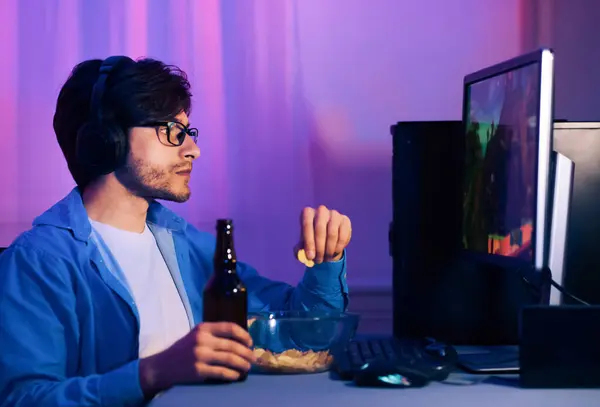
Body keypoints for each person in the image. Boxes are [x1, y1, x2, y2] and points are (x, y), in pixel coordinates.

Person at [0, 56, 352, 407]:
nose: (192, 150)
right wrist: (153, 372)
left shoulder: (188, 246)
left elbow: (302, 337)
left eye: (188, 132)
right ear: (108, 140)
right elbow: (23, 399)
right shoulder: (38, 262)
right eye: (171, 132)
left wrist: (326, 261)